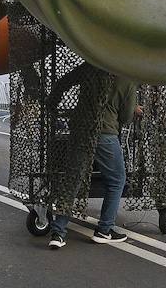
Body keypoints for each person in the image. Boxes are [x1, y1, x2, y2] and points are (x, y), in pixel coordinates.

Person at [50, 76, 137, 250]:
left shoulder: (92, 66)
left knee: (72, 180)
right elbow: (126, 117)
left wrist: (53, 102)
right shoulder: (127, 79)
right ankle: (104, 230)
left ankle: (58, 233)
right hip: (104, 134)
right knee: (117, 180)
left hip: (80, 130)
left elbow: (63, 82)